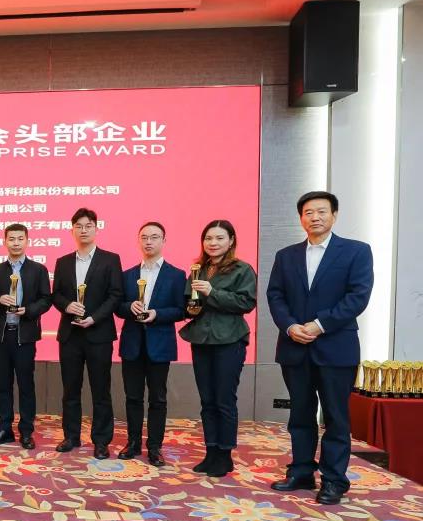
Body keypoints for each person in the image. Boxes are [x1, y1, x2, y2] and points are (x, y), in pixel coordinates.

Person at [267, 191, 373, 505]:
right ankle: (301, 471)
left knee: (336, 417)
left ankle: (334, 480)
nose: (315, 217)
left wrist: (319, 324)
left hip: (336, 347)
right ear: (301, 218)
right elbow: (275, 296)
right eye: (308, 212)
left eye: (321, 211)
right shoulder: (286, 255)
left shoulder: (356, 251)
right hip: (295, 346)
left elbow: (358, 297)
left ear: (334, 215)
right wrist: (290, 326)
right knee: (300, 414)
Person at [179, 219, 257, 478]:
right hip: (201, 339)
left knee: (224, 399)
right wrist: (189, 308)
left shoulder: (242, 269)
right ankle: (210, 451)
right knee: (207, 400)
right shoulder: (198, 269)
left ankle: (225, 455)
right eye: (208, 238)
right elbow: (189, 303)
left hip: (229, 340)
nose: (213, 243)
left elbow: (246, 303)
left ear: (231, 240)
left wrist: (212, 292)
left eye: (219, 238)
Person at [51, 207, 123, 459]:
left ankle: (101, 440)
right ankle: (71, 436)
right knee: (70, 390)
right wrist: (66, 306)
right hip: (70, 335)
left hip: (98, 334)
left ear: (96, 228)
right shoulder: (63, 262)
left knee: (100, 390)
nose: (83, 230)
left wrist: (94, 318)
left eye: (88, 225)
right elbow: (56, 295)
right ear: (72, 230)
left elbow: (115, 295)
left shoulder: (110, 259)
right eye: (78, 226)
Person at [113, 221, 187, 466]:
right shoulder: (128, 275)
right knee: (132, 397)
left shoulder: (176, 275)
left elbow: (181, 310)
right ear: (138, 241)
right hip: (132, 344)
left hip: (160, 345)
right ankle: (133, 443)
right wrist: (128, 307)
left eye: (154, 237)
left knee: (158, 399)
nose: (148, 241)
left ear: (164, 241)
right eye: (144, 237)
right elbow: (118, 306)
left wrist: (157, 314)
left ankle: (154, 447)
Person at [0, 224, 52, 450]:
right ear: (5, 242)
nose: (16, 243)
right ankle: (5, 428)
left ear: (27, 241)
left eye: (20, 239)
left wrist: (28, 310)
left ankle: (26, 431)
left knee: (26, 385)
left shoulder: (38, 270)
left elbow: (46, 300)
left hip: (25, 336)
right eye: (11, 239)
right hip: (2, 336)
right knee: (3, 385)